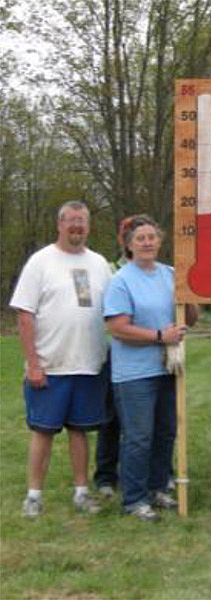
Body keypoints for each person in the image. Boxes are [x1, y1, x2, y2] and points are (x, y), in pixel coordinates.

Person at [10, 200, 112, 517]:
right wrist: (34, 363)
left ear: (88, 226)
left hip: (89, 364)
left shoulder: (99, 264)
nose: (77, 227)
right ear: (60, 224)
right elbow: (25, 316)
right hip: (51, 365)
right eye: (71, 221)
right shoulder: (41, 262)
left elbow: (114, 310)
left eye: (82, 222)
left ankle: (81, 492)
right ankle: (34, 496)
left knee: (79, 430)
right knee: (43, 430)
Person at [103, 214, 198, 522]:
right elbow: (118, 328)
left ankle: (158, 488)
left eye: (151, 237)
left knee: (165, 432)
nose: (146, 243)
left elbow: (190, 318)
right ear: (129, 245)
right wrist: (160, 336)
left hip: (168, 369)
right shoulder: (121, 281)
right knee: (139, 437)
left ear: (160, 240)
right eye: (139, 239)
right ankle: (134, 499)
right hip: (134, 374)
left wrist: (192, 296)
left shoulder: (171, 274)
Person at [93, 215, 133, 498]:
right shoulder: (109, 270)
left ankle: (160, 472)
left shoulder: (159, 270)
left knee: (150, 421)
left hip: (148, 354)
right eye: (127, 232)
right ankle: (106, 476)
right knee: (110, 419)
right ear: (122, 238)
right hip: (113, 353)